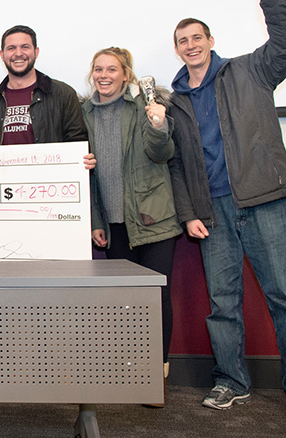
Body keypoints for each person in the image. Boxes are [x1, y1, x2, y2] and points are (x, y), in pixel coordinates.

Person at [167, 0, 286, 422]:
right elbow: (176, 163)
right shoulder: (174, 102)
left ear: (210, 41)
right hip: (212, 213)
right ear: (177, 49)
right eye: (182, 40)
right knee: (223, 303)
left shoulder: (250, 71)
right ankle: (231, 381)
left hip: (262, 201)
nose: (190, 45)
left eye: (197, 37)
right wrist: (190, 210)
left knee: (284, 299)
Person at [82, 47, 181, 405]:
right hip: (114, 224)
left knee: (155, 298)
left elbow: (162, 153)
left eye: (112, 69)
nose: (104, 75)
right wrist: (96, 221)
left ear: (126, 74)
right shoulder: (84, 113)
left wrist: (158, 125)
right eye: (98, 69)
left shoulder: (141, 107)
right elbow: (85, 176)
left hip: (153, 218)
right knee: (125, 302)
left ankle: (155, 378)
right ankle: (130, 374)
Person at [0, 25, 87, 145]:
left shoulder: (63, 94)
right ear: (2, 55)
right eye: (11, 48)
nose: (18, 53)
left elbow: (77, 143)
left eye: (25, 47)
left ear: (36, 52)